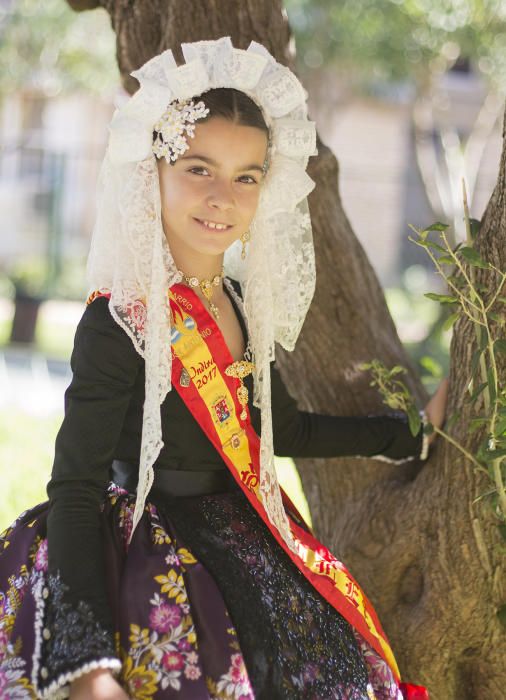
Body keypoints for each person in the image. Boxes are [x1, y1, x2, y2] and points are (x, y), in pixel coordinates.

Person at [0, 37, 448, 700]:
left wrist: (409, 433)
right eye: (198, 169)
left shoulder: (237, 300)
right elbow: (76, 488)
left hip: (243, 533)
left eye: (246, 177)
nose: (222, 197)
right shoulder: (119, 318)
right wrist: (91, 666)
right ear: (152, 172)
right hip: (144, 556)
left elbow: (278, 429)